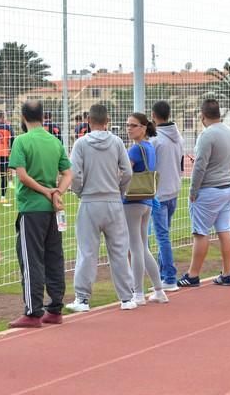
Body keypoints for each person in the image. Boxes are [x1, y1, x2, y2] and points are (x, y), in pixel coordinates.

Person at [66, 104, 140, 312]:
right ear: (107, 120)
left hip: (90, 201)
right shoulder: (116, 142)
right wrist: (119, 191)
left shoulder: (81, 144)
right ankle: (127, 297)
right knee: (118, 250)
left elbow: (75, 174)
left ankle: (82, 299)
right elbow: (127, 172)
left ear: (89, 121)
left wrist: (79, 191)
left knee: (87, 251)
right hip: (113, 201)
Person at [7, 101, 72, 328]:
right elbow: (68, 173)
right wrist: (57, 192)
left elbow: (22, 176)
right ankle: (55, 308)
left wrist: (45, 191)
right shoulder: (54, 141)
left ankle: (33, 311)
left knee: (30, 259)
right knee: (54, 257)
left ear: (23, 117)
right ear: (43, 116)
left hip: (31, 208)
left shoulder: (21, 141)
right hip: (53, 210)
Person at [178, 99, 230, 287]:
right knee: (225, 230)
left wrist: (193, 190)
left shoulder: (206, 135)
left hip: (210, 189)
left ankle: (193, 274)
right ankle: (227, 273)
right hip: (228, 186)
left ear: (202, 116)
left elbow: (200, 165)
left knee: (200, 232)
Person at [124, 112, 168, 304]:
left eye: (133, 125)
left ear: (143, 128)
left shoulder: (135, 150)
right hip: (147, 199)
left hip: (132, 200)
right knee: (142, 246)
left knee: (136, 247)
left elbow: (125, 173)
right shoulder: (149, 147)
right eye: (128, 125)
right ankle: (158, 290)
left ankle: (139, 293)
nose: (129, 129)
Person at [149, 100, 184, 291]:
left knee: (162, 237)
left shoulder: (155, 141)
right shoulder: (178, 137)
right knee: (164, 235)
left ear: (154, 116)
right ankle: (164, 275)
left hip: (159, 194)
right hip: (173, 191)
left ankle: (169, 277)